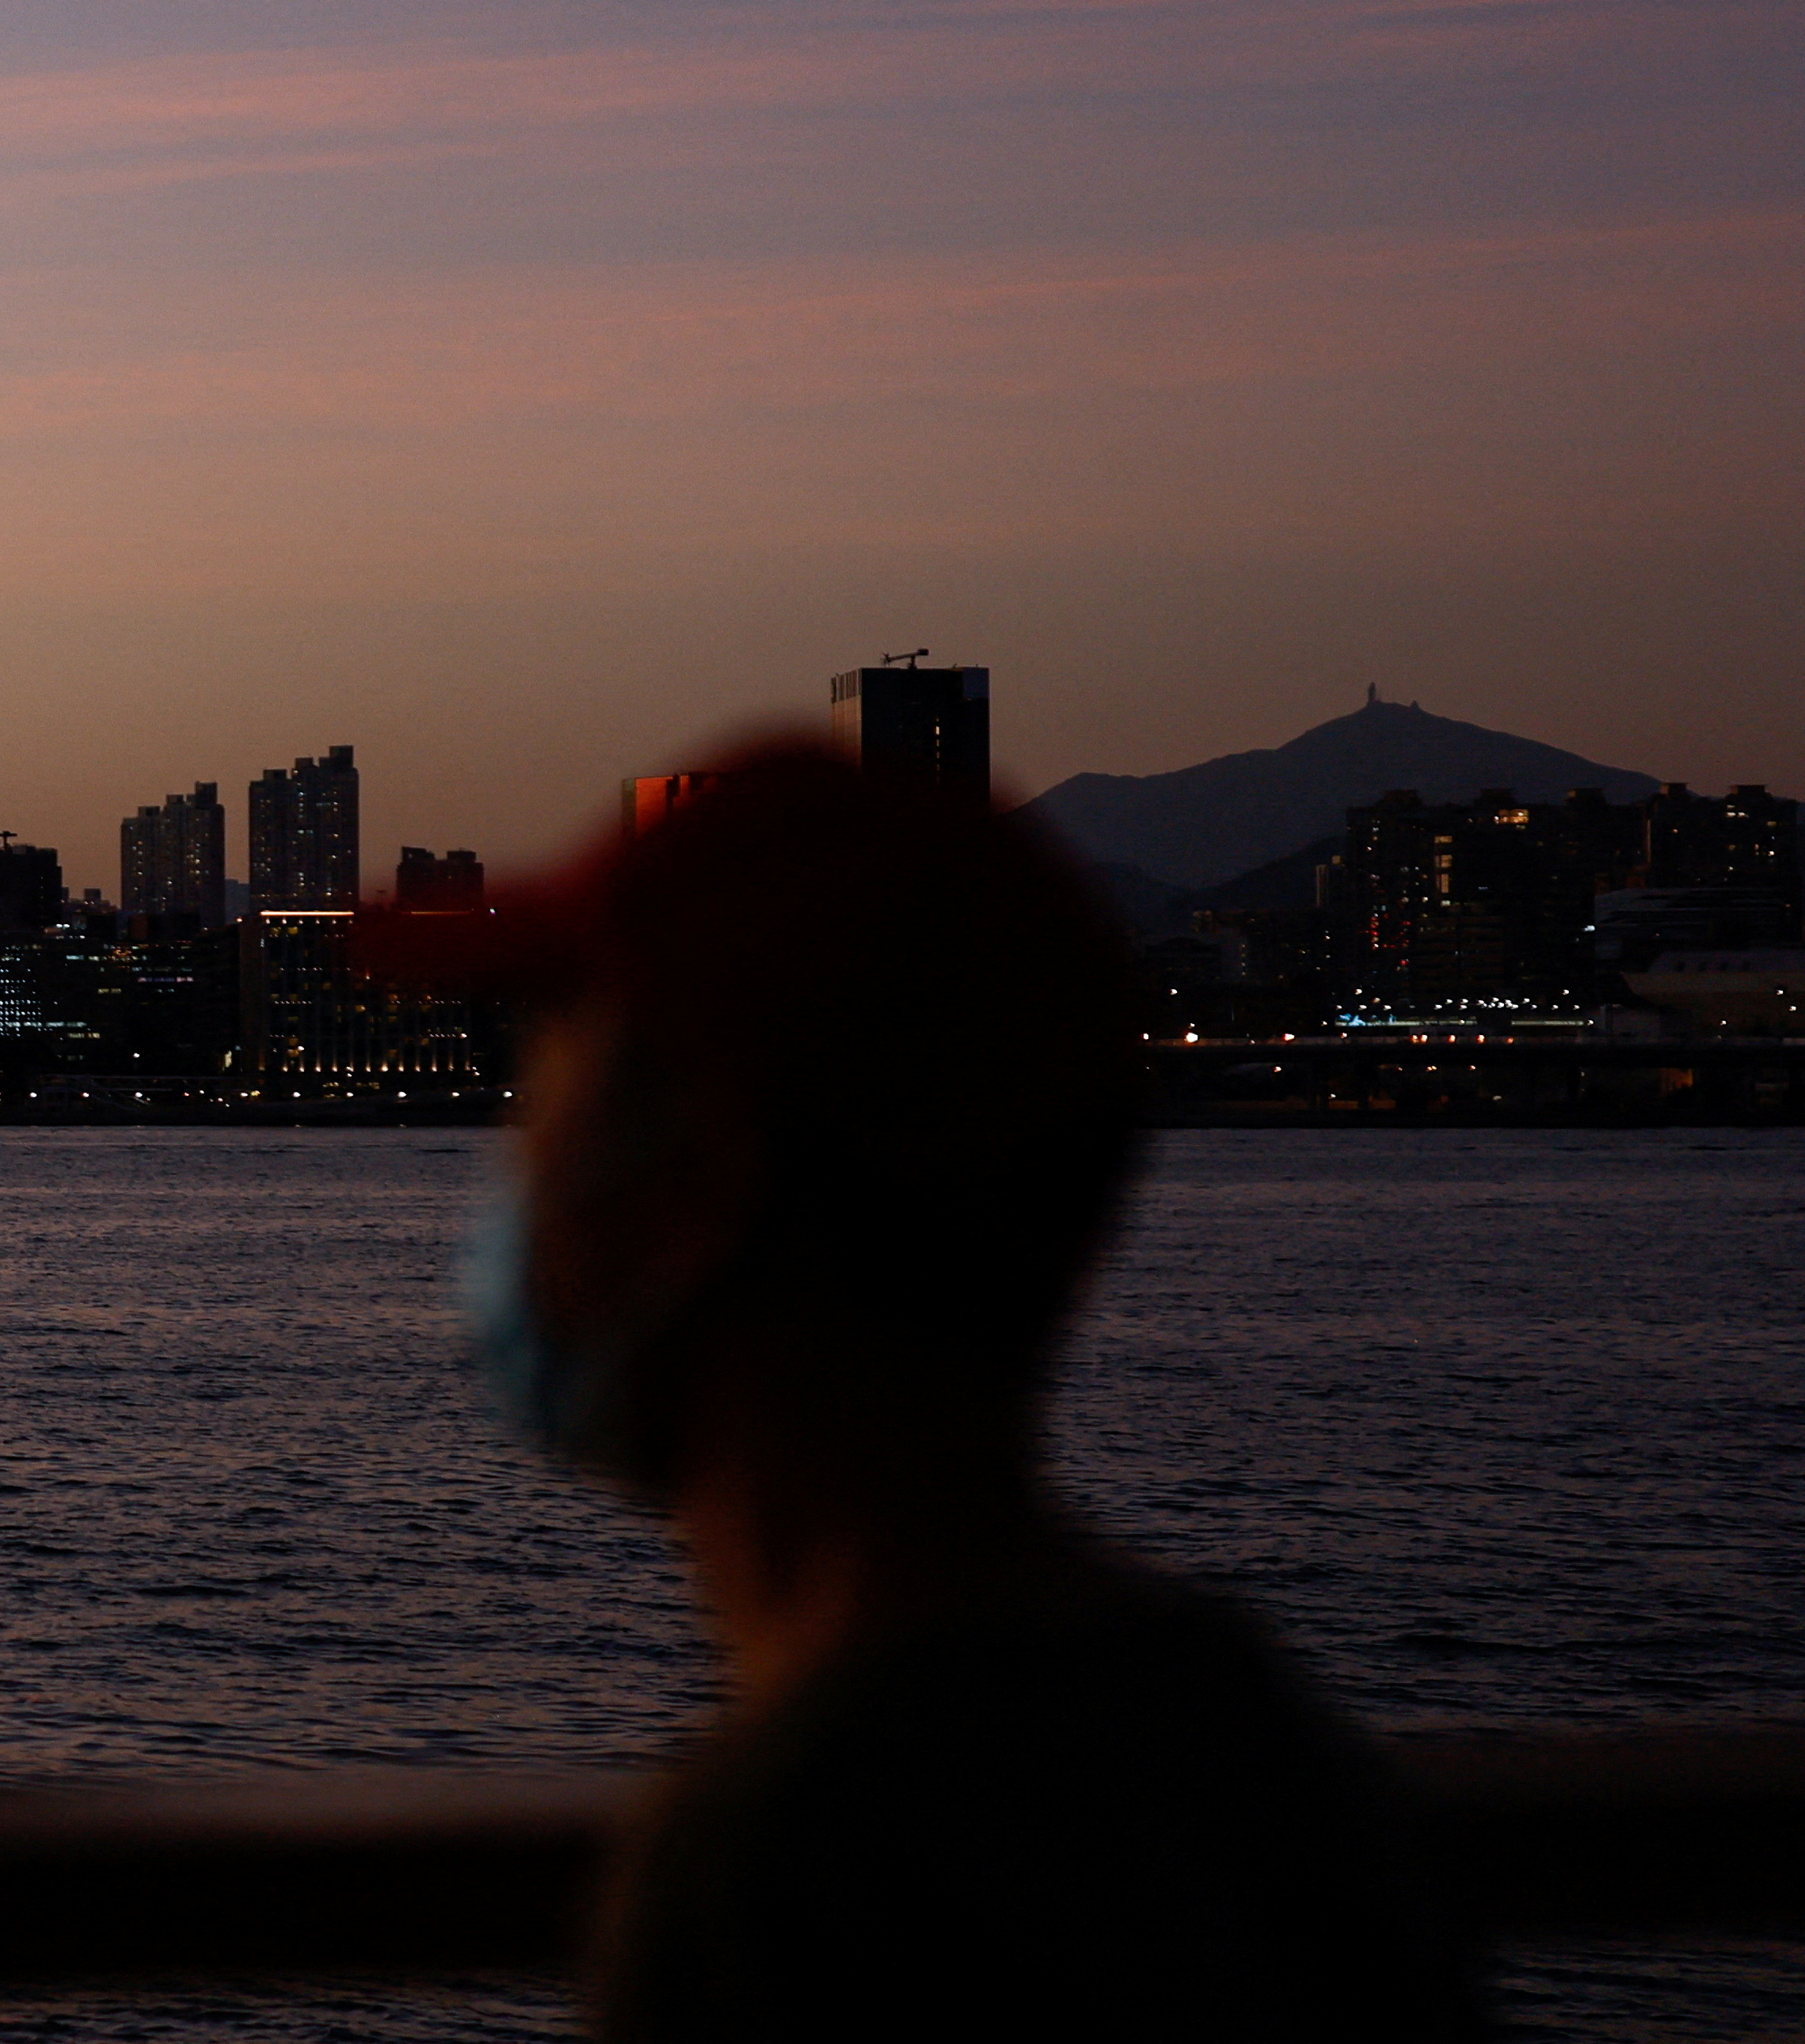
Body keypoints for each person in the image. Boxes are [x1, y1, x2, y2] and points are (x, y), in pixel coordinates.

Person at [417, 740, 1478, 2039]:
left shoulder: (790, 1854)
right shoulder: (1250, 1737)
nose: (513, 1156)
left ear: (699, 1185)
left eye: (548, 1081)